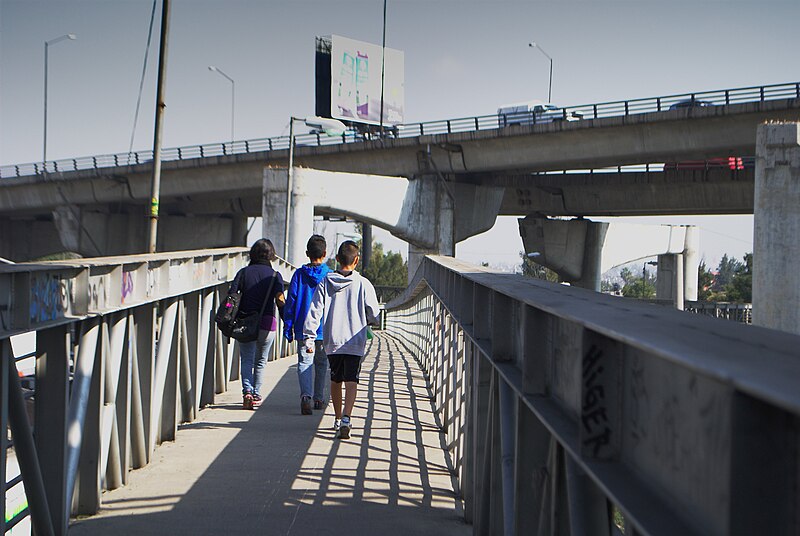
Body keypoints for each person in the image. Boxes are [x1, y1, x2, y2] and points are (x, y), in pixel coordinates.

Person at [303, 240, 380, 439]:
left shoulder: (326, 281)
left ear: (337, 259)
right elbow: (374, 313)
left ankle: (337, 418)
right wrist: (369, 321)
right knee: (352, 379)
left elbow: (315, 310)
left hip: (332, 340)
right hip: (354, 340)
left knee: (335, 379)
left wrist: (309, 338)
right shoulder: (363, 283)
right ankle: (347, 417)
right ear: (356, 260)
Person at [230, 239, 285, 410]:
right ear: (271, 255)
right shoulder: (275, 276)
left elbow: (231, 295)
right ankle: (256, 395)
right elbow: (280, 300)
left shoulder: (243, 273)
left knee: (246, 359)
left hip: (246, 323)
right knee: (260, 361)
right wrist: (288, 322)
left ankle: (247, 391)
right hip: (268, 324)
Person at [283, 234, 332, 415]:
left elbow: (291, 302)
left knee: (304, 363)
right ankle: (319, 398)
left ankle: (306, 397)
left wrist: (288, 327)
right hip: (324, 329)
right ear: (325, 253)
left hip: (304, 328)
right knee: (321, 364)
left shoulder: (299, 275)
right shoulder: (330, 275)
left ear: (307, 253)